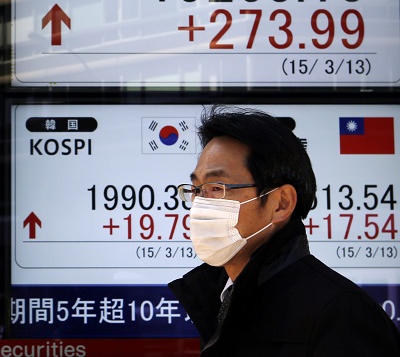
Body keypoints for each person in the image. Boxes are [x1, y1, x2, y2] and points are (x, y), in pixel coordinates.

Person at [168, 105, 400, 357]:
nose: (201, 202)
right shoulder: (222, 298)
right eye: (197, 189)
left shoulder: (340, 312)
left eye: (217, 187)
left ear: (281, 203)